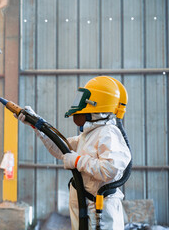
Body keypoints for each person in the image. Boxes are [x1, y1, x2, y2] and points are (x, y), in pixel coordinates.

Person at [16, 76, 131, 230]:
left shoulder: (108, 133)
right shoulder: (90, 134)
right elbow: (61, 148)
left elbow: (109, 169)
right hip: (86, 205)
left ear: (95, 104)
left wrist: (77, 161)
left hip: (100, 212)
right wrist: (37, 125)